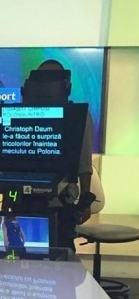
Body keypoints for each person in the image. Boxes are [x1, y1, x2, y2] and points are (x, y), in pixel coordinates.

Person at [23, 59, 94, 250]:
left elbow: (84, 162)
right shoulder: (21, 112)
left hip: (61, 202)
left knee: (62, 255)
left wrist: (85, 200)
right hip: (23, 199)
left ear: (66, 85)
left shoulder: (79, 114)